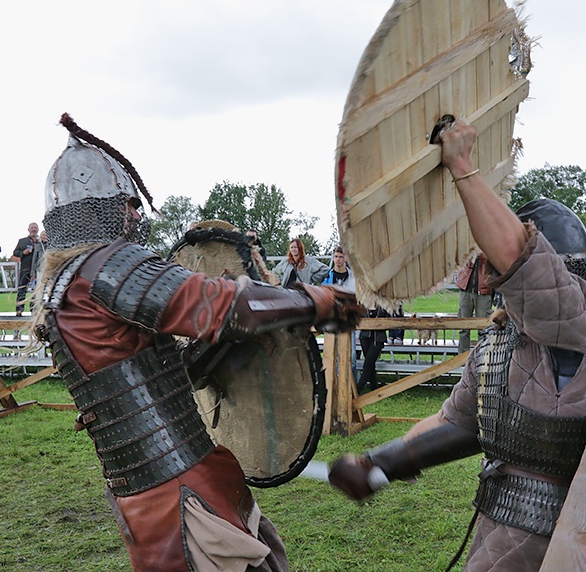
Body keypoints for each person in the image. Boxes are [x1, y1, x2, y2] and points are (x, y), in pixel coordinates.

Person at [29, 113, 361, 571]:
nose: (136, 215)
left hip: (143, 494)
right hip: (178, 493)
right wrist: (317, 302)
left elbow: (148, 372)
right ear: (107, 208)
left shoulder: (62, 287)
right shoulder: (108, 267)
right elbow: (231, 307)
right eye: (129, 205)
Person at [329, 120, 586, 571]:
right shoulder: (502, 340)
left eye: (489, 263)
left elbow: (520, 260)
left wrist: (462, 166)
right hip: (501, 524)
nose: (485, 279)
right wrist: (378, 463)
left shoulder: (583, 324)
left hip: (565, 537)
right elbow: (459, 422)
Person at [455, 252, 494, 353]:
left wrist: (480, 253)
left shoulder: (488, 243)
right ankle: (462, 359)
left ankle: (482, 357)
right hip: (465, 289)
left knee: (483, 328)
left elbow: (491, 262)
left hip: (483, 291)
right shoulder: (466, 243)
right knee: (463, 327)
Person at [358, 307, 389, 393]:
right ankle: (374, 388)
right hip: (364, 337)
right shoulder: (363, 304)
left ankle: (358, 389)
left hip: (378, 339)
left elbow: (389, 321)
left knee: (367, 365)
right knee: (370, 364)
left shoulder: (384, 306)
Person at [12, 222, 40, 316]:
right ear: (28, 229)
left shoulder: (41, 242)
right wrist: (23, 253)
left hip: (37, 271)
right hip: (25, 269)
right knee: (21, 290)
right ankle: (19, 310)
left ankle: (34, 310)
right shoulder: (22, 241)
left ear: (38, 229)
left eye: (35, 228)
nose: (34, 229)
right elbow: (15, 252)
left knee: (35, 291)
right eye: (32, 228)